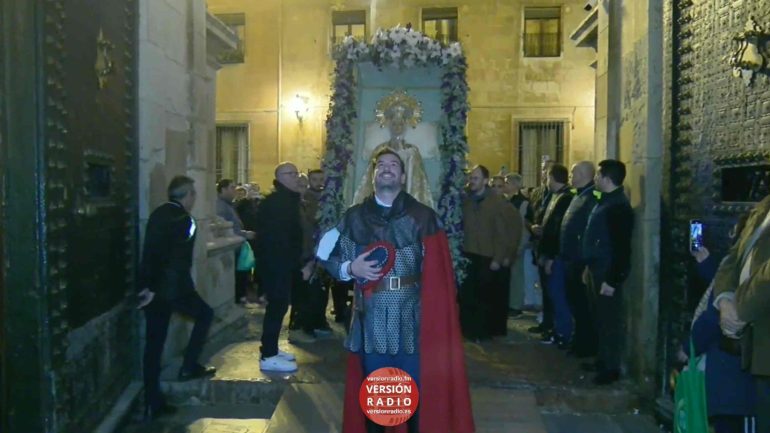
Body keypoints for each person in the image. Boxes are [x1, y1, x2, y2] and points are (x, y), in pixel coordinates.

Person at [318, 149, 474, 433]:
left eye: (394, 165)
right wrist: (350, 268)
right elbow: (323, 251)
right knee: (377, 399)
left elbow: (439, 274)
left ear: (403, 176)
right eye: (381, 165)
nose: (387, 169)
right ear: (374, 175)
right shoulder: (354, 217)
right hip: (371, 319)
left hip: (411, 319)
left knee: (413, 396)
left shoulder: (422, 216)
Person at [137, 176, 216, 420]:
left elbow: (150, 252)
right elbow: (178, 260)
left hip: (154, 291)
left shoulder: (158, 214)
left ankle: (152, 401)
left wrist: (146, 286)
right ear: (188, 195)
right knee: (205, 315)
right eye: (193, 194)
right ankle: (189, 365)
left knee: (153, 345)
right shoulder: (187, 221)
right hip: (175, 288)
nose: (194, 199)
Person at [685, 215, 756, 433]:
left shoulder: (739, 265)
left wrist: (687, 349)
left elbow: (712, 314)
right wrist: (704, 262)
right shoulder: (737, 265)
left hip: (733, 379)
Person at [713, 194, 770, 433]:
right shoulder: (763, 207)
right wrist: (726, 300)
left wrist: (740, 311)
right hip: (755, 343)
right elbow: (732, 258)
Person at [581, 159, 634, 385]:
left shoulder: (619, 207)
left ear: (606, 178)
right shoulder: (605, 202)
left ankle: (611, 367)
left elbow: (621, 248)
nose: (595, 179)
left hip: (606, 272)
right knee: (599, 318)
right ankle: (602, 360)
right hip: (596, 269)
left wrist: (612, 279)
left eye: (598, 175)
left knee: (609, 320)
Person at [255, 162, 305, 373]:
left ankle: (272, 349)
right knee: (276, 308)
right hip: (276, 266)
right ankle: (268, 354)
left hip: (282, 265)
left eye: (296, 173)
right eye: (291, 173)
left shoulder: (288, 200)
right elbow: (277, 239)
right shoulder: (277, 203)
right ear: (281, 177)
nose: (296, 177)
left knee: (280, 307)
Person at [461, 165, 521, 339]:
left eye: (476, 178)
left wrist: (500, 257)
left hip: (487, 254)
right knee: (469, 296)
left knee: (484, 297)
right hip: (469, 252)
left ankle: (483, 332)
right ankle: (469, 330)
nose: (472, 181)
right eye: (471, 178)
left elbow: (503, 232)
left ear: (485, 181)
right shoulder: (466, 200)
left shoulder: (496, 203)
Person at [352, 90, 434, 209]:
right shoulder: (380, 150)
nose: (397, 127)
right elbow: (370, 178)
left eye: (400, 124)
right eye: (394, 124)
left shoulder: (412, 151)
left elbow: (417, 182)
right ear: (389, 124)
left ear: (405, 125)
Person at [559, 161, 598, 357]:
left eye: (574, 173)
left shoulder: (591, 197)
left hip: (579, 261)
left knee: (582, 306)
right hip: (571, 260)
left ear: (584, 174)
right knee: (574, 303)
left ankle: (584, 345)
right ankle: (578, 342)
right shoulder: (580, 195)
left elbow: (588, 231)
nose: (571, 177)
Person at [535, 163, 574, 347]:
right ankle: (549, 326)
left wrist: (551, 255)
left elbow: (557, 229)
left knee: (557, 295)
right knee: (549, 293)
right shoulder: (554, 196)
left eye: (547, 176)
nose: (545, 180)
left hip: (555, 256)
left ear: (552, 177)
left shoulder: (566, 197)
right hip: (547, 252)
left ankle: (560, 332)